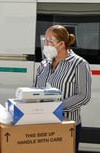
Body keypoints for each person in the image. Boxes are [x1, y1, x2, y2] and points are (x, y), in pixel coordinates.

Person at [34, 25, 91, 153]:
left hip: (66, 126)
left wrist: (56, 108)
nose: (46, 44)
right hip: (42, 124)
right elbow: (35, 88)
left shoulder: (79, 64)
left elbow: (84, 95)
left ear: (61, 44)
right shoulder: (44, 64)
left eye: (50, 41)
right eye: (45, 40)